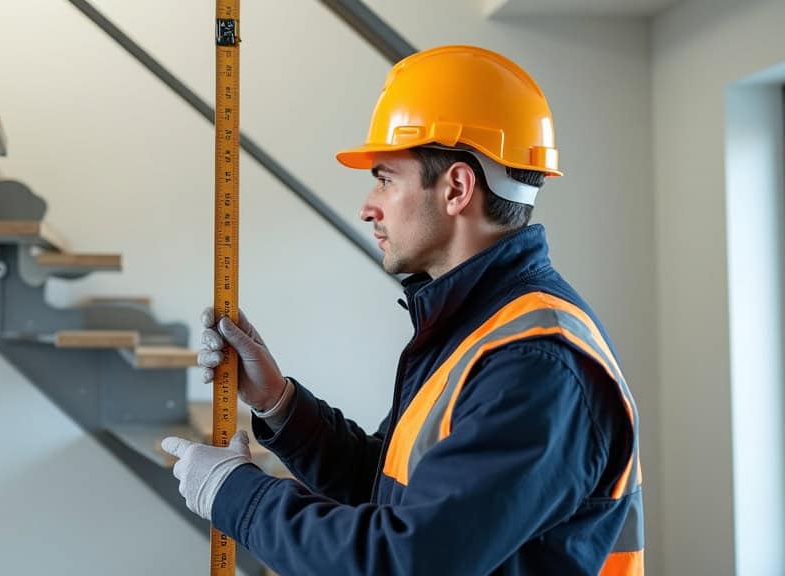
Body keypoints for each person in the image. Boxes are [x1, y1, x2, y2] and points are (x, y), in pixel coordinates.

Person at [161, 45, 644, 575]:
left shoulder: (535, 363)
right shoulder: (476, 329)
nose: (368, 206)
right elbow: (391, 491)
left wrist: (236, 495)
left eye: (386, 178)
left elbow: (405, 560)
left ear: (456, 188)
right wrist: (279, 403)